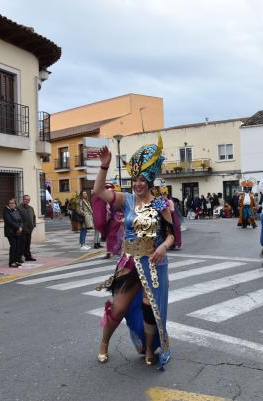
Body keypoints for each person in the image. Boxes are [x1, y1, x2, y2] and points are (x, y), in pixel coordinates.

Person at [92, 135, 173, 369]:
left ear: (149, 181)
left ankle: (149, 349)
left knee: (150, 310)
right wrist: (104, 166)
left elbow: (171, 234)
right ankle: (104, 343)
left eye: (141, 180)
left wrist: (163, 246)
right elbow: (98, 191)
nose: (137, 184)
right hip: (129, 263)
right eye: (134, 179)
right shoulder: (126, 200)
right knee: (118, 308)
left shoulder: (160, 204)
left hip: (154, 263)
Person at [92, 183, 125, 259]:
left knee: (119, 235)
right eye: (107, 188)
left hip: (118, 218)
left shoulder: (116, 197)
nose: (108, 190)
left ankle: (119, 251)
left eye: (109, 188)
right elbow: (101, 209)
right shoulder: (103, 199)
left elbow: (121, 207)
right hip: (110, 219)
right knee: (110, 236)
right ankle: (109, 252)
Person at [3, 198, 23, 268]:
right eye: (10, 203)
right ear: (8, 204)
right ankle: (11, 262)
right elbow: (9, 221)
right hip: (10, 232)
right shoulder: (6, 211)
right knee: (13, 246)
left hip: (18, 232)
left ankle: (16, 261)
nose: (12, 204)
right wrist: (18, 228)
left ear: (15, 204)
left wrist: (20, 227)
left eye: (13, 203)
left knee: (17, 247)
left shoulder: (16, 210)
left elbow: (20, 220)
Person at [18, 194, 37, 262]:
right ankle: (19, 257)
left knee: (28, 243)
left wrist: (33, 224)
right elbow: (18, 218)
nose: (27, 201)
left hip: (30, 229)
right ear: (23, 200)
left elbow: (34, 217)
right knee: (21, 244)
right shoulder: (19, 208)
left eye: (28, 200)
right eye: (26, 199)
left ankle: (28, 256)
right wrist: (20, 227)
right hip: (23, 229)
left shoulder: (31, 208)